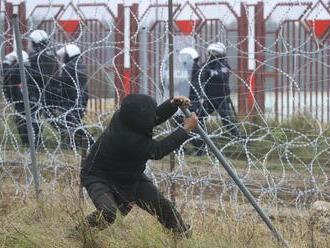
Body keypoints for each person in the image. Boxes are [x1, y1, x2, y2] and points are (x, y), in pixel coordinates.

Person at [81, 94, 198, 237]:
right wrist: (185, 129)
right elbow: (158, 151)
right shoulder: (130, 140)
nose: (153, 115)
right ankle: (78, 234)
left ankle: (184, 235)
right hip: (99, 177)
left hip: (130, 177)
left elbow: (151, 118)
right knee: (109, 213)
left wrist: (172, 105)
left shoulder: (122, 118)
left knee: (163, 207)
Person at [199, 42, 240, 138]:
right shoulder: (205, 66)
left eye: (216, 54)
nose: (213, 57)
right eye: (211, 54)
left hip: (222, 98)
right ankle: (202, 138)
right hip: (209, 98)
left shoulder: (224, 65)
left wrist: (212, 73)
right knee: (199, 118)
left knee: (227, 121)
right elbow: (199, 77)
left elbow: (222, 76)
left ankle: (238, 139)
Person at [56, 44, 92, 148]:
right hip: (80, 100)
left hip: (72, 100)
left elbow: (63, 85)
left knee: (72, 122)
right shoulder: (79, 66)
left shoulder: (69, 68)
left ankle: (89, 142)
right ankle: (79, 143)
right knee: (73, 122)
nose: (63, 58)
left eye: (65, 56)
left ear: (70, 55)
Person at [2, 51, 40, 147]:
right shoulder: (27, 69)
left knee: (23, 120)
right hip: (27, 99)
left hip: (22, 100)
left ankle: (30, 143)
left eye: (14, 61)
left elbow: (5, 72)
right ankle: (32, 142)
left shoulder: (19, 70)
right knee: (27, 120)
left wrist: (7, 62)